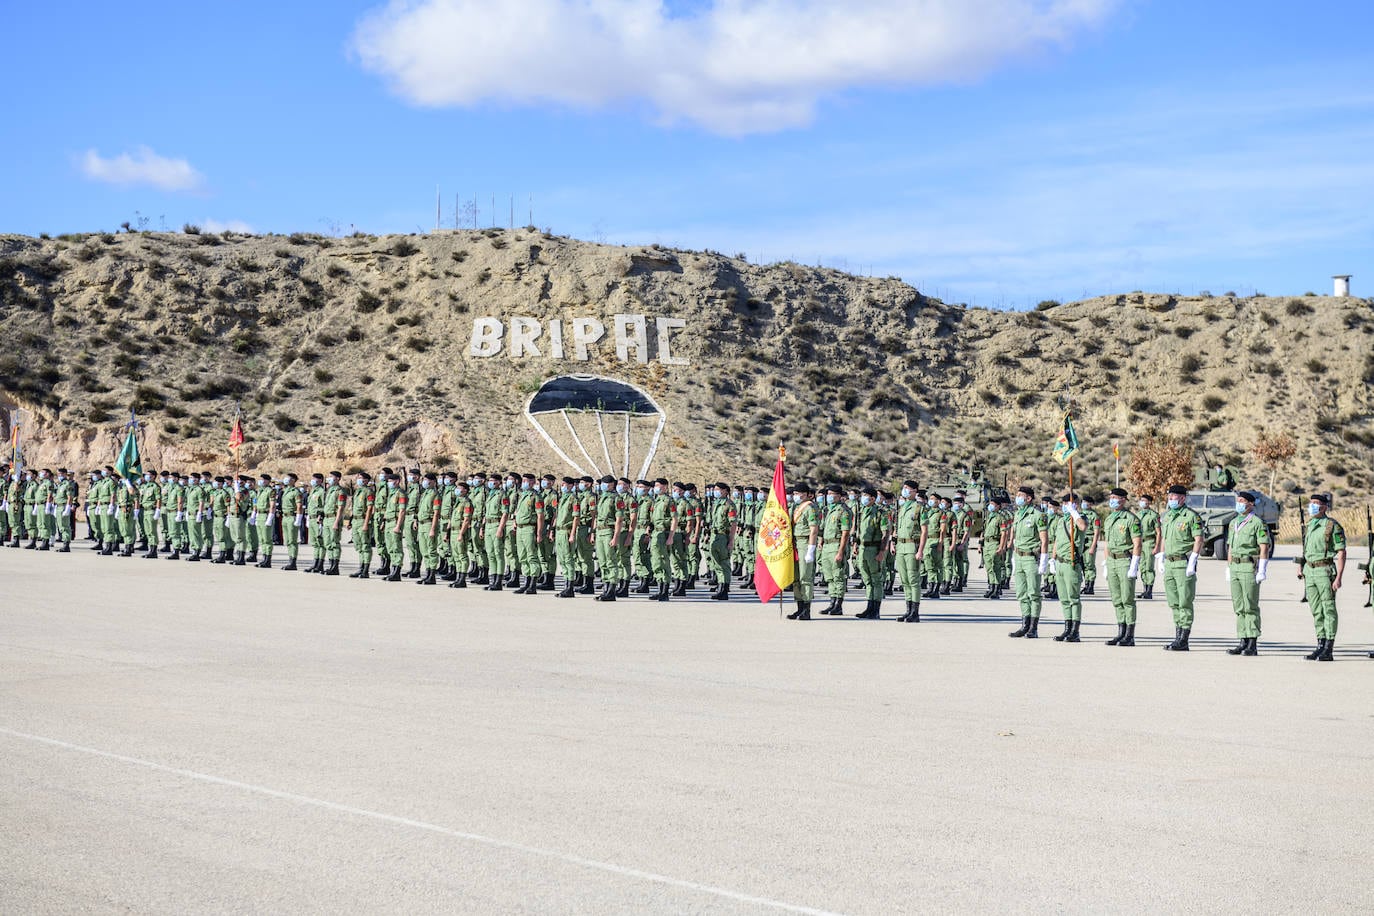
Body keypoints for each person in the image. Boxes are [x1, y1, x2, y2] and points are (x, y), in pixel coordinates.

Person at [1298, 493, 1345, 661]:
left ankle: (1328, 648)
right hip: (1310, 571)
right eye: (1311, 503)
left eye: (1316, 503)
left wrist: (1339, 576)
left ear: (1324, 507)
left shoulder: (1331, 526)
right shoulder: (1310, 525)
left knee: (1328, 609)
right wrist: (1301, 567)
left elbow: (1341, 552)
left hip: (1325, 570)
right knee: (1316, 610)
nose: (1312, 506)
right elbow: (1306, 549)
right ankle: (1320, 644)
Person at [1224, 490, 1270, 656]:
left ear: (1251, 504)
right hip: (1235, 566)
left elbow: (1264, 547)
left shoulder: (1257, 523)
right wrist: (1228, 567)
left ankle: (1252, 643)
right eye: (1238, 500)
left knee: (1250, 605)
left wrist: (1262, 569)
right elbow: (1230, 546)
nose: (1239, 503)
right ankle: (1242, 640)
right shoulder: (1233, 522)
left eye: (1242, 501)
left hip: (1248, 567)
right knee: (1239, 606)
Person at [1159, 484, 1204, 651]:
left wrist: (1193, 559)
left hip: (1183, 563)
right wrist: (1161, 558)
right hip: (1170, 563)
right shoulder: (1168, 516)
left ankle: (1184, 640)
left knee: (1184, 601)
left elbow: (1198, 539)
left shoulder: (1191, 516)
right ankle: (1177, 636)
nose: (1170, 499)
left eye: (1173, 497)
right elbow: (1164, 538)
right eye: (1169, 497)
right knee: (1174, 602)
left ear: (1182, 498)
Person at [1102, 487, 1143, 646]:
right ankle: (1121, 632)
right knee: (1117, 599)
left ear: (1123, 500)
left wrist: (1134, 565)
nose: (1112, 500)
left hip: (1125, 561)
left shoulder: (1131, 519)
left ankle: (1129, 635)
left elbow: (1137, 544)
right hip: (1112, 561)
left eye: (1115, 497)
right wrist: (1106, 563)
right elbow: (1106, 543)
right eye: (1111, 497)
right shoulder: (1109, 518)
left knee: (1127, 599)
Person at [1008, 486, 1049, 638]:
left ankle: (1033, 627)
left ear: (1029, 498)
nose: (1017, 497)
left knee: (1034, 593)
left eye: (1020, 495)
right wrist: (1013, 555)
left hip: (1031, 558)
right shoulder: (1018, 514)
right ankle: (1024, 625)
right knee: (1021, 593)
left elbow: (1044, 540)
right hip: (1019, 557)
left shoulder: (1038, 515)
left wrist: (1044, 559)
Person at [1048, 495, 1089, 641]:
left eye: (1069, 503)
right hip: (1060, 562)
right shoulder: (1061, 520)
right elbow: (1057, 541)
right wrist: (1052, 559)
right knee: (1064, 599)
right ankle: (1067, 628)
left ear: (1076, 504)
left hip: (1072, 563)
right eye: (1064, 503)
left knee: (1073, 598)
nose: (1065, 505)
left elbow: (1082, 527)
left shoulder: (1080, 518)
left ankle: (1075, 631)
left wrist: (1074, 512)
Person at [894, 482, 927, 621]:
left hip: (912, 546)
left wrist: (920, 550)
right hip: (901, 546)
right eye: (904, 488)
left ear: (915, 491)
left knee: (913, 580)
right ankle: (908, 610)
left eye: (907, 489)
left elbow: (924, 531)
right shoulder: (902, 508)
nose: (905, 490)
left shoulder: (919, 508)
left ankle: (915, 612)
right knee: (905, 580)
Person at [787, 482, 820, 619]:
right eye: (794, 494)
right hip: (795, 542)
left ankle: (806, 609)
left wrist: (811, 550)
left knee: (805, 578)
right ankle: (799, 607)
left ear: (806, 494)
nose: (795, 496)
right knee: (796, 578)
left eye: (798, 493)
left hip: (805, 542)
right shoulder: (797, 507)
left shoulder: (810, 508)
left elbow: (813, 530)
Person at [854, 486, 887, 619]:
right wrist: (856, 544)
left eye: (866, 496)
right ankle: (869, 607)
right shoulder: (862, 511)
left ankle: (875, 609)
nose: (863, 498)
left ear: (873, 498)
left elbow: (886, 533)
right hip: (862, 548)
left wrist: (881, 552)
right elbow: (859, 531)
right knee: (867, 579)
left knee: (876, 580)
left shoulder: (880, 512)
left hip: (874, 549)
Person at [1135, 493, 1161, 600]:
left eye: (1144, 500)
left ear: (1149, 502)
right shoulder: (1138, 514)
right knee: (1142, 567)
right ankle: (1145, 589)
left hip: (1149, 543)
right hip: (1140, 543)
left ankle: (1149, 590)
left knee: (1149, 567)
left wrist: (1157, 547)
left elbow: (1158, 532)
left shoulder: (1154, 515)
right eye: (1141, 500)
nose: (1142, 502)